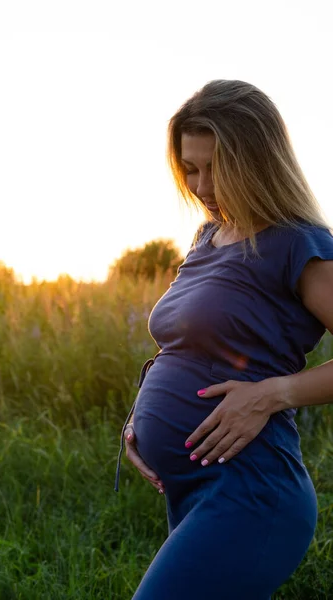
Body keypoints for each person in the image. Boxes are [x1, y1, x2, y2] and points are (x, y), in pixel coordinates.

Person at [114, 79, 333, 599]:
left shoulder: (297, 244)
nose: (202, 184)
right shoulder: (207, 239)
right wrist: (138, 419)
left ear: (258, 161)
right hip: (194, 489)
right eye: (190, 168)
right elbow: (184, 347)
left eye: (216, 167)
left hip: (254, 491)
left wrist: (270, 395)